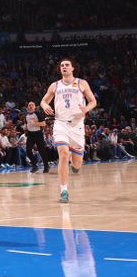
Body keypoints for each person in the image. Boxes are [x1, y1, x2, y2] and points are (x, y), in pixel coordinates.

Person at [40, 58, 97, 203]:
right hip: (61, 124)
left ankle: (75, 161)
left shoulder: (81, 83)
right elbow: (43, 100)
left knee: (77, 165)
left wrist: (87, 109)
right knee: (63, 155)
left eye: (67, 65)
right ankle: (64, 190)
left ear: (73, 68)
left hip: (77, 126)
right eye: (62, 65)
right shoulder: (55, 85)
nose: (64, 67)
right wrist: (45, 106)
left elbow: (93, 101)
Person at [24, 101, 51, 174]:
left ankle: (46, 166)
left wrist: (35, 123)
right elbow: (26, 123)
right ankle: (34, 165)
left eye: (32, 105)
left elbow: (43, 124)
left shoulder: (38, 113)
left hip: (38, 134)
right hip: (30, 134)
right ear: (27, 107)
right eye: (29, 105)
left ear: (35, 107)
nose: (30, 106)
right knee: (28, 151)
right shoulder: (26, 115)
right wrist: (25, 127)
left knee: (42, 151)